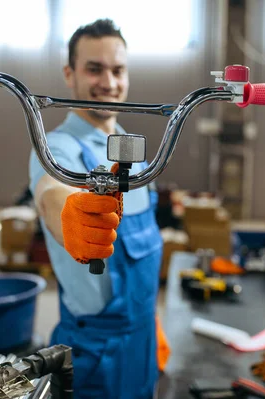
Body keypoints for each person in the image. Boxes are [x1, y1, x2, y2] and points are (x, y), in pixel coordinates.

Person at [29, 19, 163, 399]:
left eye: (117, 70)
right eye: (94, 69)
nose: (108, 82)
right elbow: (52, 193)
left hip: (143, 338)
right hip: (96, 348)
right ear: (69, 75)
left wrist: (152, 326)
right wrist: (68, 215)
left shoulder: (133, 152)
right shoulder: (56, 149)